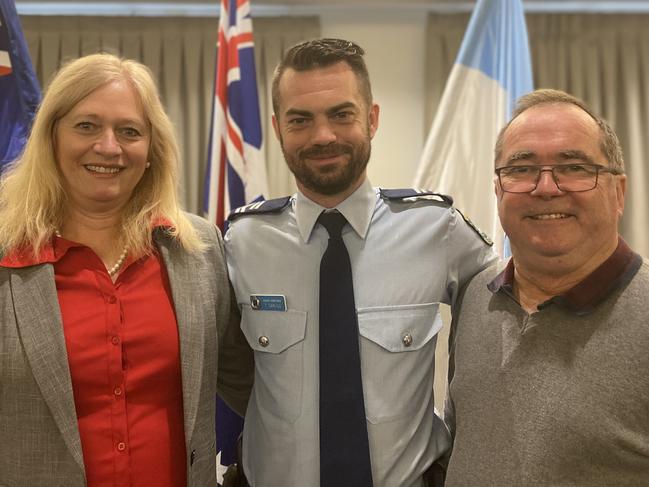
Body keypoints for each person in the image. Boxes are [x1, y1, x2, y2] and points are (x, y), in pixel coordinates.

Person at [224, 38, 496, 487]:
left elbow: (514, 312)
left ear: (371, 119)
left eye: (341, 114)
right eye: (300, 120)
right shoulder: (242, 241)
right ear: (277, 128)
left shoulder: (437, 229)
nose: (323, 135)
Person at [0, 53, 253, 487]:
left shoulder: (198, 248)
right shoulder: (7, 252)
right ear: (51, 138)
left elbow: (248, 382)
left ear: (152, 149)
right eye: (87, 126)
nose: (109, 147)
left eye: (129, 131)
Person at [445, 89, 649, 486]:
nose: (546, 188)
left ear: (618, 192)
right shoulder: (475, 299)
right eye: (521, 169)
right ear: (499, 190)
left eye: (574, 167)